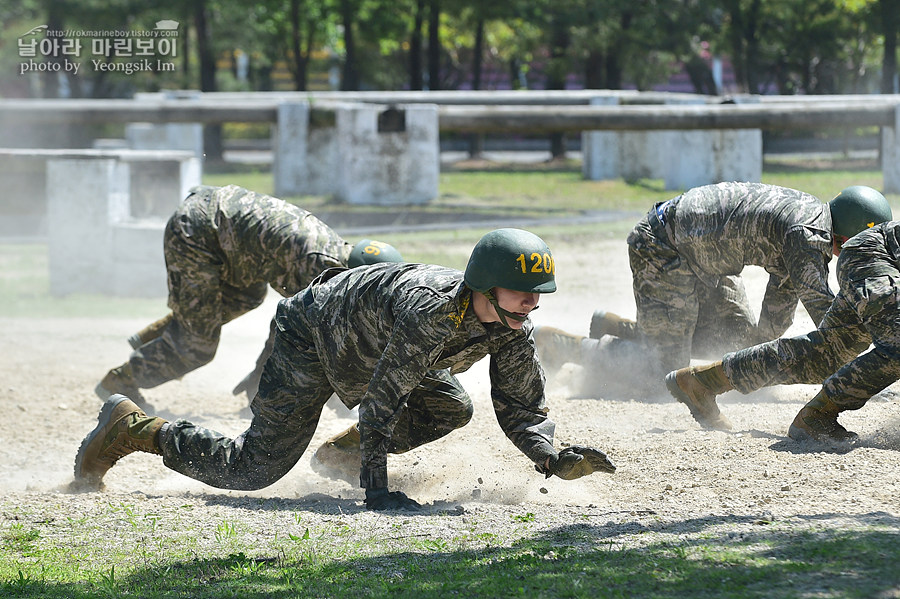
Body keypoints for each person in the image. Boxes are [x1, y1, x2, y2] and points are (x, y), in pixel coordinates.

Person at [74, 228, 616, 511]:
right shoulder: (431, 313)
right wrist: (377, 493)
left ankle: (343, 452)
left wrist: (553, 459)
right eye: (524, 295)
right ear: (486, 288)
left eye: (536, 296)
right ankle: (134, 429)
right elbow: (382, 402)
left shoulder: (510, 324)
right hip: (311, 333)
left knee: (452, 406)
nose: (534, 305)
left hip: (375, 345)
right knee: (253, 469)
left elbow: (521, 405)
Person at [533, 183, 893, 397]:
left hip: (704, 260)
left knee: (732, 345)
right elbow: (826, 313)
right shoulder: (808, 236)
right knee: (665, 379)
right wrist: (885, 350)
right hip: (663, 248)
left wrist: (756, 361)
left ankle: (625, 326)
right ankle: (571, 347)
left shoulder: (810, 222)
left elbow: (780, 307)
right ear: (846, 239)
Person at [95, 184, 402, 409]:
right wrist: (264, 378)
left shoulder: (338, 255)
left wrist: (259, 377)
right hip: (199, 233)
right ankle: (122, 380)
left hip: (221, 232)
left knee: (249, 295)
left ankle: (181, 324)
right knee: (197, 347)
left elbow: (286, 321)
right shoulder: (321, 270)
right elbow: (291, 326)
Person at [666, 217, 900, 443]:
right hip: (875, 255)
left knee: (828, 351)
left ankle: (705, 380)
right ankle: (817, 417)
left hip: (872, 256)